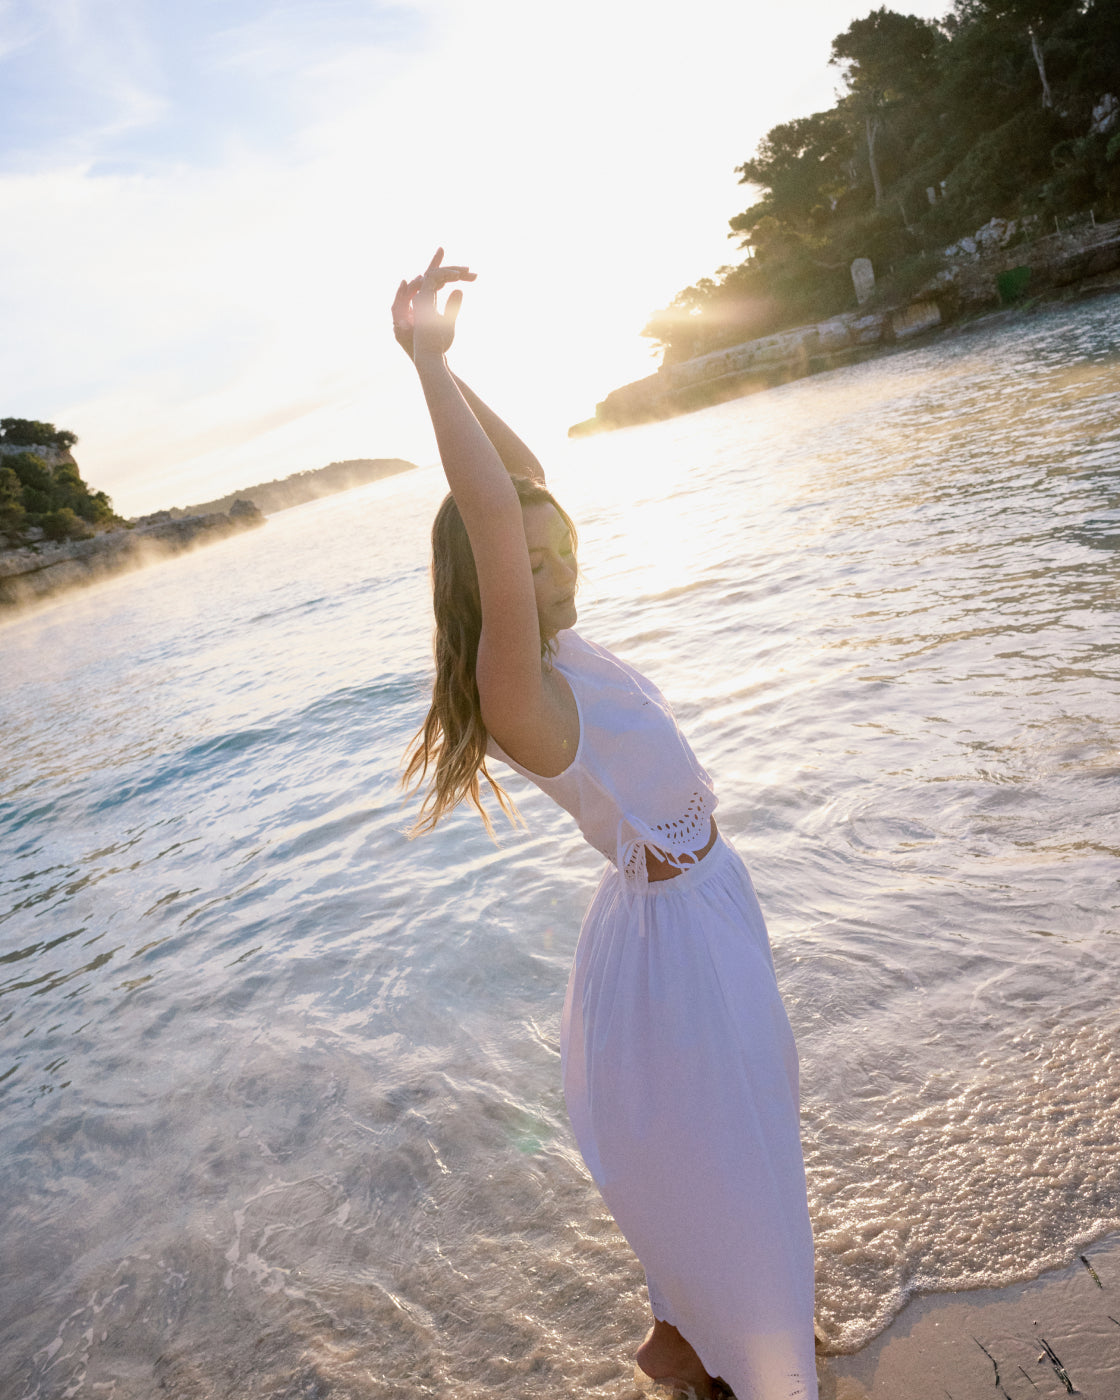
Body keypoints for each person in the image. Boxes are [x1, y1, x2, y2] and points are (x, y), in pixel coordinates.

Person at [394, 250, 818, 1400]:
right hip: (671, 953)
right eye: (529, 566)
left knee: (754, 1139)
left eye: (561, 540)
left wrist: (469, 380)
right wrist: (425, 366)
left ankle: (707, 1342)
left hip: (709, 907)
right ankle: (755, 1361)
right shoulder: (521, 688)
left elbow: (518, 483)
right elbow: (491, 507)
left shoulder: (568, 640)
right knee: (727, 1163)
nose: (555, 560)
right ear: (491, 588)